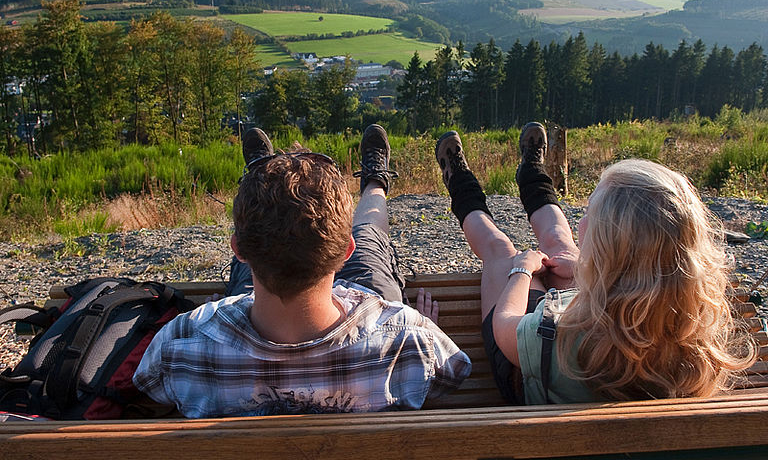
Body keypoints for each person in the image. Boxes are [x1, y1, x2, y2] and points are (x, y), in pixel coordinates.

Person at [133, 125, 471, 418]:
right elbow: (445, 376)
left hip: (245, 312)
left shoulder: (181, 343)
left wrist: (212, 319)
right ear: (344, 252)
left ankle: (262, 176)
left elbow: (150, 387)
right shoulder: (410, 339)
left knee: (260, 249)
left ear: (237, 249)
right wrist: (420, 338)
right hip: (365, 322)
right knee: (369, 234)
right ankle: (374, 184)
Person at [435, 122, 756, 405]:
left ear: (608, 254)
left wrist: (522, 270)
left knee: (500, 251)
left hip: (533, 369)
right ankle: (533, 174)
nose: (583, 220)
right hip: (585, 347)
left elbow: (505, 324)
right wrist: (581, 269)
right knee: (562, 246)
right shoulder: (692, 335)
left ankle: (461, 183)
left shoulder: (550, 334)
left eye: (591, 213)